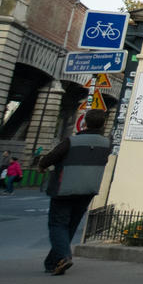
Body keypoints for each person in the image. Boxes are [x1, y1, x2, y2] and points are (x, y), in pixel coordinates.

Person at [38, 110, 110, 274]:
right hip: (88, 189)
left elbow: (50, 158)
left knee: (57, 224)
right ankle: (53, 262)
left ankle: (64, 256)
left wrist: (42, 166)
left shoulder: (72, 141)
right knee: (70, 225)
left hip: (65, 188)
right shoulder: (106, 144)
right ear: (103, 124)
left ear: (85, 122)